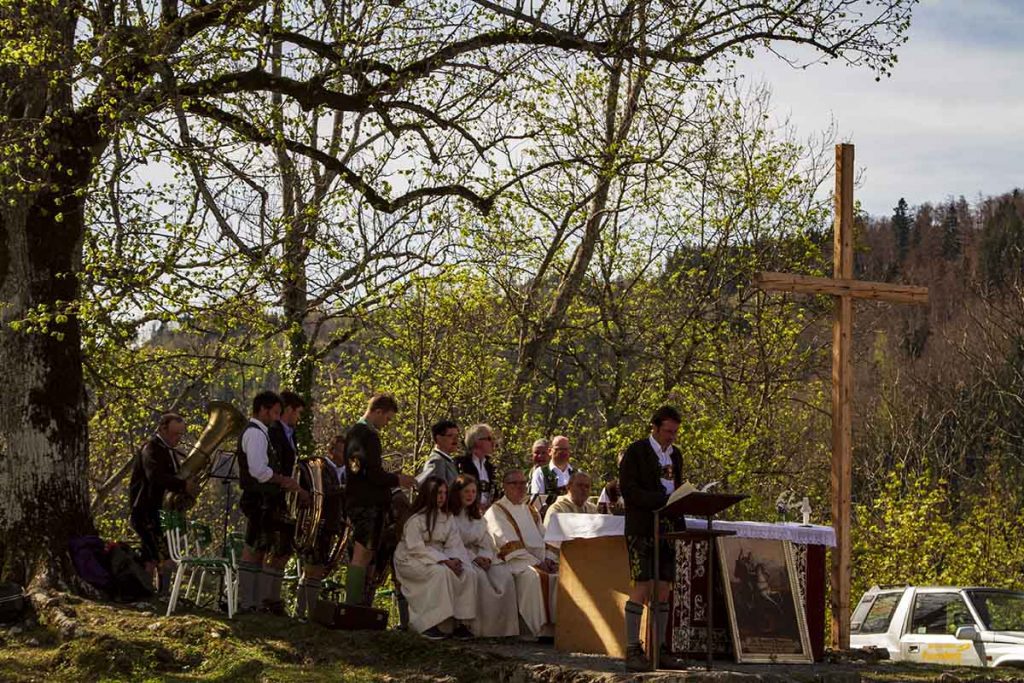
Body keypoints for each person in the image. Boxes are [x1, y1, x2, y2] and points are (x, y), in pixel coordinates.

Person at [618, 405, 685, 671]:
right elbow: (630, 491)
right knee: (642, 584)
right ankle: (633, 649)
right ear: (654, 428)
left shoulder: (676, 455)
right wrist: (663, 500)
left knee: (665, 587)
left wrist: (680, 503)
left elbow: (676, 486)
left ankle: (659, 649)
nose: (671, 436)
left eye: (675, 432)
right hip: (643, 527)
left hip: (667, 527)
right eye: (668, 431)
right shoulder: (636, 452)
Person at [343, 393, 417, 605]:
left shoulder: (356, 433)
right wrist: (397, 479)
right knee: (361, 553)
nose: (387, 423)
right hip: (366, 502)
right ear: (377, 411)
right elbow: (370, 473)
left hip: (362, 500)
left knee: (366, 554)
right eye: (387, 418)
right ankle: (352, 604)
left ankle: (359, 604)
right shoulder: (367, 434)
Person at [236, 391, 305, 613]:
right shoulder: (255, 434)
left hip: (264, 499)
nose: (277, 417)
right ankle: (247, 602)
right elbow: (258, 471)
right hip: (259, 498)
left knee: (260, 547)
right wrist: (283, 479)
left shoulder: (261, 432)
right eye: (275, 412)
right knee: (253, 548)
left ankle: (255, 602)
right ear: (263, 410)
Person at [394, 476, 476, 640]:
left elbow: (454, 543)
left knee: (468, 573)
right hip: (411, 558)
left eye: (445, 493)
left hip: (441, 556)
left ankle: (459, 623)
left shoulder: (447, 517)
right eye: (438, 493)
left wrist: (456, 560)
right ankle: (429, 624)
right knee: (439, 573)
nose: (442, 497)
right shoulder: (415, 519)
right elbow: (416, 547)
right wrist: (444, 561)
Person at [484, 470, 558, 639]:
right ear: (504, 486)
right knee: (534, 578)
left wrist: (548, 559)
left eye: (523, 483)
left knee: (560, 576)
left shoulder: (531, 510)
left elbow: (545, 538)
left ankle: (557, 628)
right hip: (513, 562)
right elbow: (507, 544)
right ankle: (536, 629)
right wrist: (536, 563)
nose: (520, 487)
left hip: (539, 561)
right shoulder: (497, 511)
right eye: (514, 484)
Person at [449, 474, 518, 637]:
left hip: (481, 555)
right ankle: (475, 627)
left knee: (504, 575)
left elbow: (486, 540)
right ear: (457, 493)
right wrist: (474, 557)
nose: (470, 495)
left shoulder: (477, 517)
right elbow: (453, 543)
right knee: (478, 577)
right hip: (461, 555)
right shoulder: (450, 516)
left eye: (473, 492)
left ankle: (502, 629)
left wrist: (486, 556)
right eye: (466, 491)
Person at [129, 413, 191, 591]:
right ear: (162, 429)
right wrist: (183, 485)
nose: (178, 438)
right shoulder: (151, 448)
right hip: (145, 511)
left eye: (180, 434)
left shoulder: (168, 451)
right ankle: (161, 595)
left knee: (150, 556)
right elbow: (154, 476)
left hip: (157, 512)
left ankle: (150, 593)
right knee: (165, 556)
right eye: (174, 434)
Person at [294, 433, 347, 621]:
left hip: (333, 523)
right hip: (318, 521)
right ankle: (309, 613)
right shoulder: (320, 466)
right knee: (312, 567)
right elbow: (324, 490)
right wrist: (347, 488)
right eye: (343, 451)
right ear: (331, 451)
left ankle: (302, 612)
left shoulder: (346, 470)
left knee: (315, 568)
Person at [262, 390, 306, 614]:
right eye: (297, 413)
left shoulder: (292, 434)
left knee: (284, 550)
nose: (299, 418)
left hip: (288, 498)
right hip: (275, 497)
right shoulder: (274, 431)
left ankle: (273, 597)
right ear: (288, 410)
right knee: (274, 550)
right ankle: (266, 598)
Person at [455, 424, 497, 509]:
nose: (493, 443)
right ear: (476, 441)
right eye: (489, 439)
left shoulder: (490, 467)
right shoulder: (460, 464)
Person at [530, 435, 574, 512]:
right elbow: (536, 504)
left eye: (566, 449)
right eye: (558, 449)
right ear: (550, 451)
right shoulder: (540, 473)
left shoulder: (576, 474)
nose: (563, 453)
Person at [416, 419, 460, 487]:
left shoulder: (448, 461)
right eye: (450, 435)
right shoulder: (437, 461)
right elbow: (436, 492)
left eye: (457, 436)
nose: (455, 439)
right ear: (438, 438)